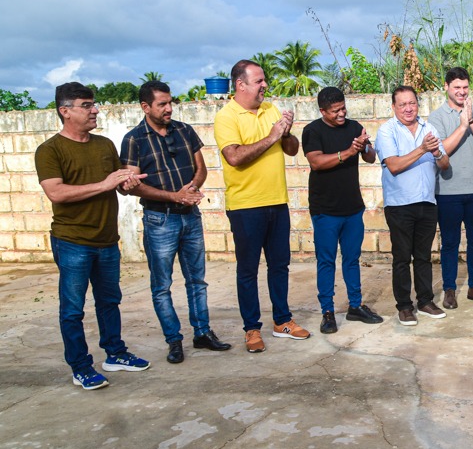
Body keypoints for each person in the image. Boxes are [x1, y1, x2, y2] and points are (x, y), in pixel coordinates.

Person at [35, 82, 150, 390]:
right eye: (86, 105)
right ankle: (81, 366)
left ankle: (115, 353)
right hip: (72, 241)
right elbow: (56, 193)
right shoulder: (50, 150)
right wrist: (105, 183)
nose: (95, 110)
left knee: (110, 300)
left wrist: (127, 183)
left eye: (94, 104)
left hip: (106, 240)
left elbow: (115, 183)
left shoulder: (103, 145)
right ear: (65, 111)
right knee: (73, 309)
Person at [121, 81, 231, 364]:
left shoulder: (184, 130)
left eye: (170, 102)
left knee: (197, 280)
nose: (169, 108)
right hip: (160, 220)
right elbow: (132, 185)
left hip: (190, 216)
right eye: (162, 104)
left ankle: (203, 333)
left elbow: (201, 168)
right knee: (162, 285)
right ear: (146, 107)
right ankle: (174, 340)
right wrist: (175, 196)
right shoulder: (134, 140)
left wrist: (191, 190)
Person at [214, 60, 310, 353]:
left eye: (264, 80)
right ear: (240, 85)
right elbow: (234, 156)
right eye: (259, 81)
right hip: (245, 206)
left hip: (277, 201)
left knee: (280, 265)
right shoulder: (226, 117)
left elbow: (292, 150)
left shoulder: (271, 110)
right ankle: (251, 329)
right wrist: (271, 136)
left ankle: (282, 320)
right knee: (248, 270)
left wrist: (287, 132)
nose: (265, 85)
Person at [301, 87, 383, 333]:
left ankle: (355, 306)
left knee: (352, 259)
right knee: (326, 261)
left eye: (343, 108)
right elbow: (316, 162)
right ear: (323, 111)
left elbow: (370, 157)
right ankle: (327, 311)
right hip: (325, 210)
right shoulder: (312, 131)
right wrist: (348, 151)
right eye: (335, 110)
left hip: (352, 208)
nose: (341, 113)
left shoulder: (354, 126)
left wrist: (364, 146)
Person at [374, 86, 450, 325]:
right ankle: (404, 306)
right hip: (399, 204)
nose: (408, 108)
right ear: (394, 107)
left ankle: (425, 301)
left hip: (427, 202)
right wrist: (422, 149)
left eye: (412, 103)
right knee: (401, 257)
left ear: (418, 104)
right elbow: (394, 165)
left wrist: (436, 152)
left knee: (424, 256)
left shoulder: (429, 128)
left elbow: (445, 164)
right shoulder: (387, 131)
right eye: (402, 104)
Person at [428, 67, 473, 309]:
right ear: (446, 87)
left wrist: (471, 119)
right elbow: (441, 149)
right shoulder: (437, 117)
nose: (462, 92)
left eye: (465, 87)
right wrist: (462, 126)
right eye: (457, 87)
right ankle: (449, 289)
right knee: (450, 243)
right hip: (448, 191)